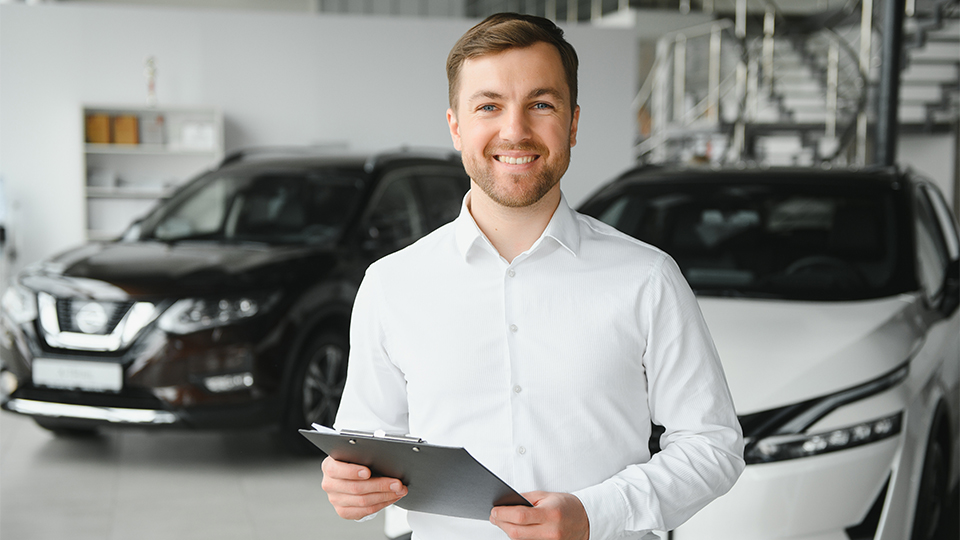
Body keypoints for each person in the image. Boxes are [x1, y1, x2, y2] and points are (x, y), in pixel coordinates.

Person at [321, 13, 744, 540]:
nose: (515, 130)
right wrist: (350, 484)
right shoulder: (391, 285)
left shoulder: (647, 277)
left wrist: (596, 514)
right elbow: (365, 445)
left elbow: (713, 444)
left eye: (541, 104)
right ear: (456, 126)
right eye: (488, 106)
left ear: (572, 122)